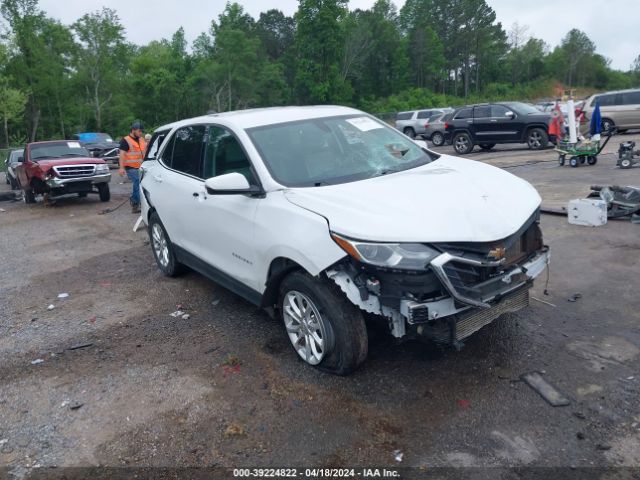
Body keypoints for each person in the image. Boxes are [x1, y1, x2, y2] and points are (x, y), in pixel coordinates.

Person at [119, 121, 147, 213]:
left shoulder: (142, 139)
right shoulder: (125, 140)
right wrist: (121, 168)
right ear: (133, 130)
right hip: (131, 167)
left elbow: (145, 152)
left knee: (141, 184)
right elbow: (122, 154)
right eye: (139, 131)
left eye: (141, 131)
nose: (141, 133)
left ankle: (137, 203)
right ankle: (137, 205)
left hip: (142, 166)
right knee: (137, 182)